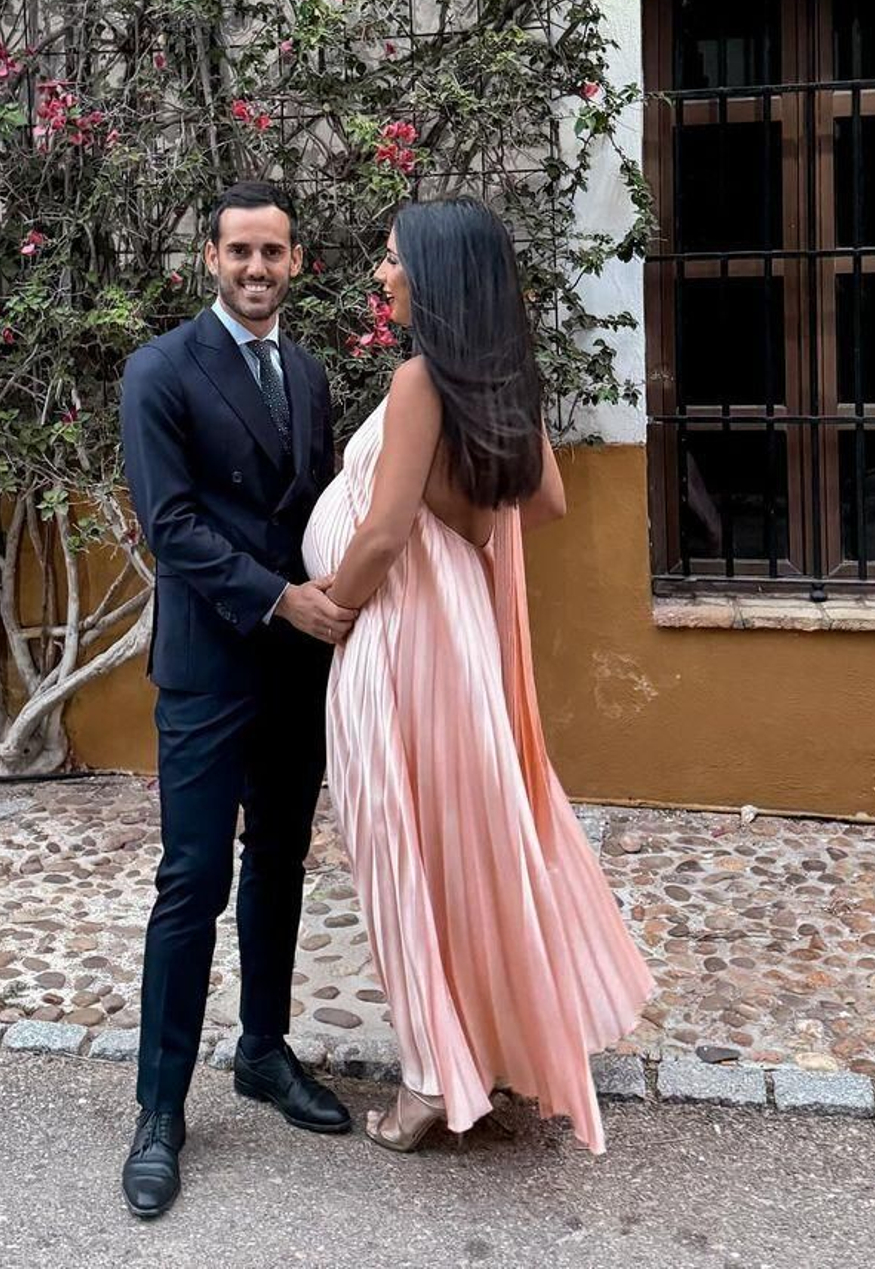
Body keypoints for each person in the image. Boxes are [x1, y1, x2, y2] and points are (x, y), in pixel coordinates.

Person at [304, 197, 655, 1156]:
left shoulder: (422, 379)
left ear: (436, 274)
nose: (381, 277)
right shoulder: (496, 379)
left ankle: (433, 1080)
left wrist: (332, 601)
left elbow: (379, 529)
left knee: (401, 848)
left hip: (400, 633)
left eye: (390, 259)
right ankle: (476, 1043)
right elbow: (545, 499)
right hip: (450, 629)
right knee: (462, 834)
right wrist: (458, 536)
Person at [119, 181, 359, 1220]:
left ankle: (262, 1049)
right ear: (208, 258)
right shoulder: (159, 370)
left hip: (295, 672)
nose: (257, 269)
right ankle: (160, 1110)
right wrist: (279, 601)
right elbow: (169, 524)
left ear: (296, 261)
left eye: (274, 252)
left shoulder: (308, 375)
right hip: (210, 665)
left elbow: (319, 510)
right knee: (192, 877)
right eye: (240, 252)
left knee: (278, 867)